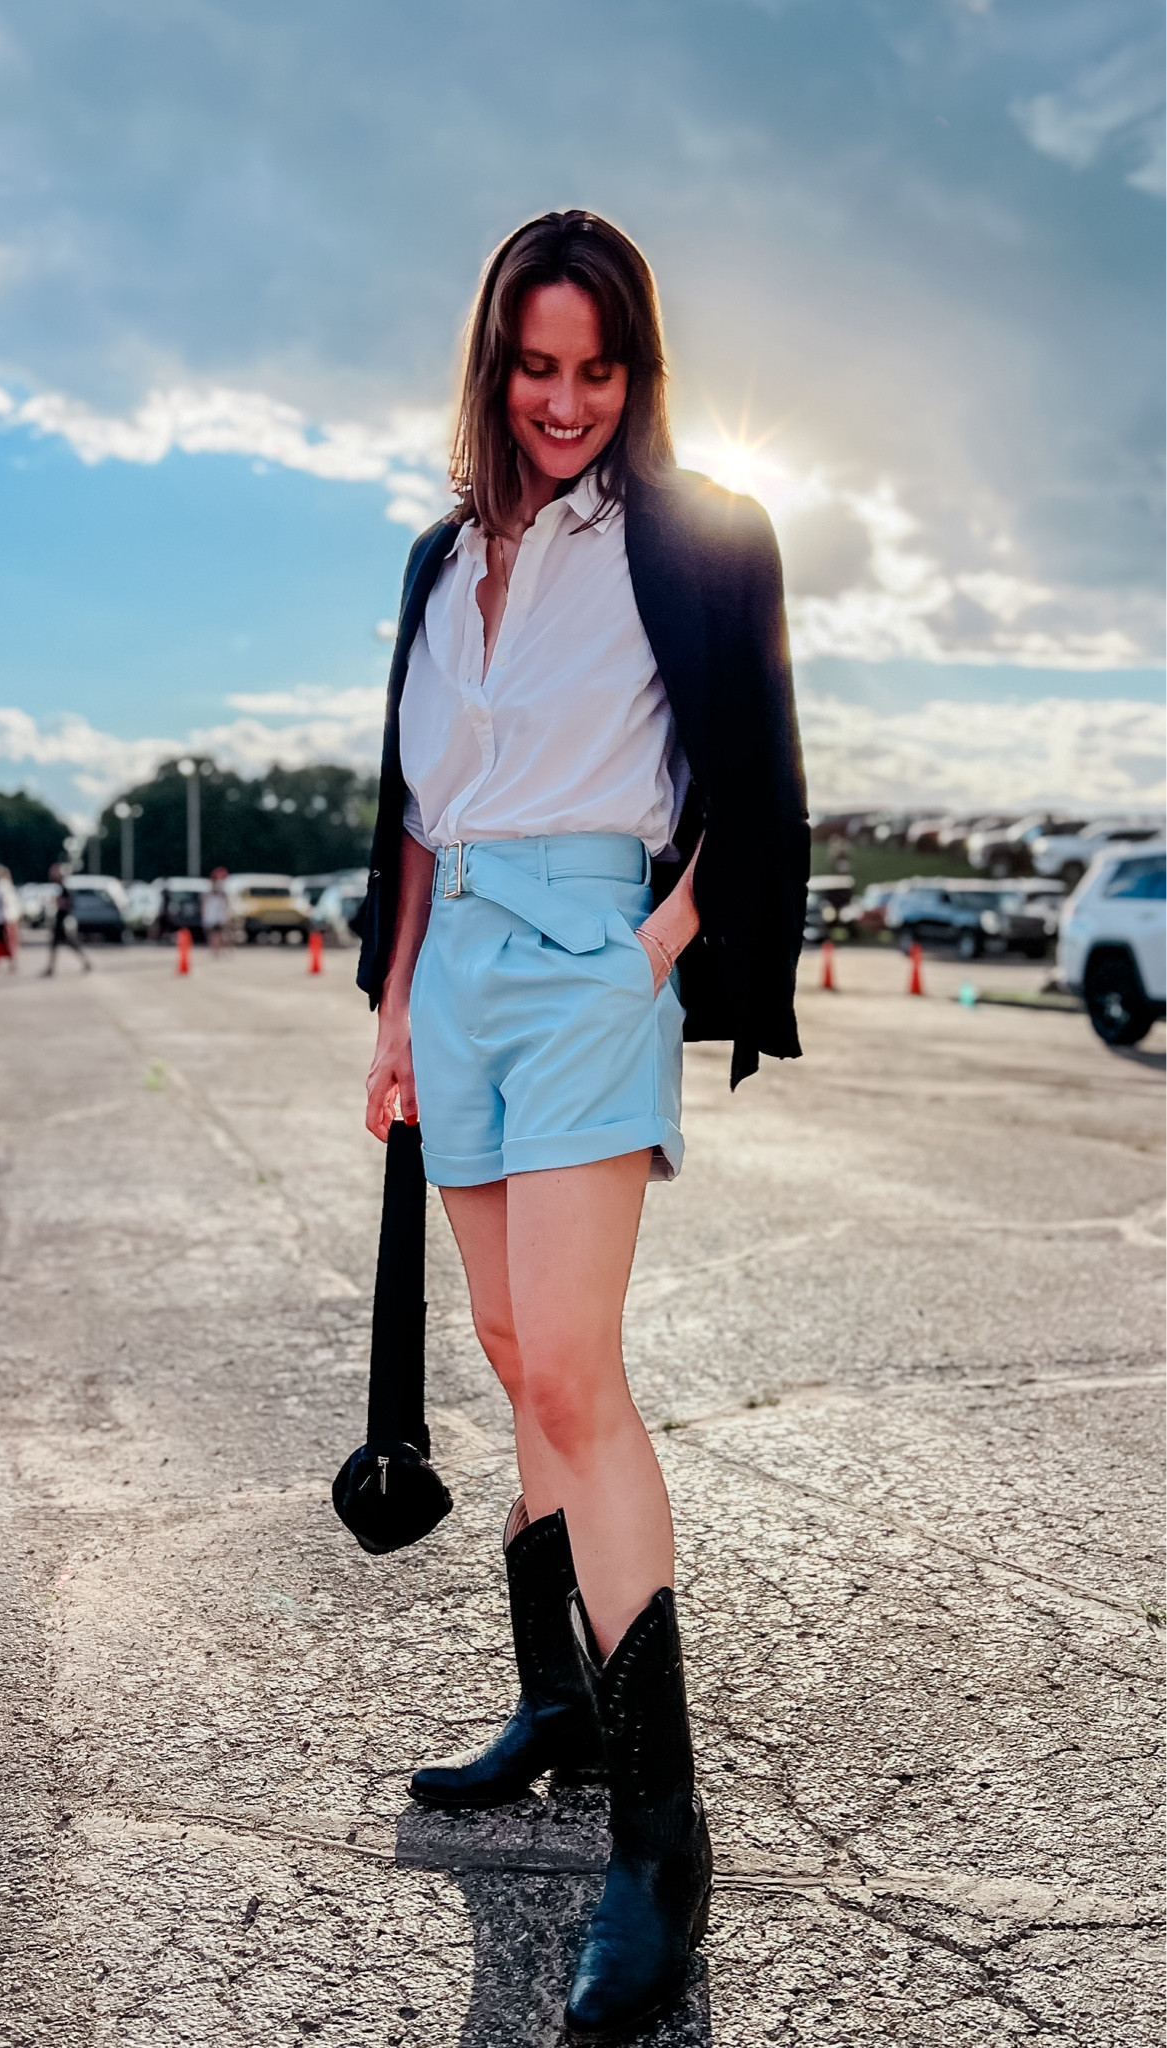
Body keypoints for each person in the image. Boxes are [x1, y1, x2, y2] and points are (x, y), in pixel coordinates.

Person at [359, 211, 807, 2039]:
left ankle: (659, 1831)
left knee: (570, 1376)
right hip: (452, 956)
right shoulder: (435, 552)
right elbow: (409, 800)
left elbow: (762, 768)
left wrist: (657, 949)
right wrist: (389, 1004)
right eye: (534, 367)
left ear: (636, 368)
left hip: (586, 951)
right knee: (496, 1340)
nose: (563, 401)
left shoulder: (696, 538)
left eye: (595, 367)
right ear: (494, 365)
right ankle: (556, 1697)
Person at [43, 864, 92, 976]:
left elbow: (68, 904)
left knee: (70, 944)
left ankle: (51, 968)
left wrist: (59, 904)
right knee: (58, 945)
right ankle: (50, 968)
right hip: (60, 920)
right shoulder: (59, 888)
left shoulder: (64, 889)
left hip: (62, 920)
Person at [202, 868, 231, 955]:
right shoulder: (214, 889)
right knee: (216, 934)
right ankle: (216, 950)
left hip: (216, 915)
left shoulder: (216, 890)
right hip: (215, 915)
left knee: (217, 934)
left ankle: (217, 950)